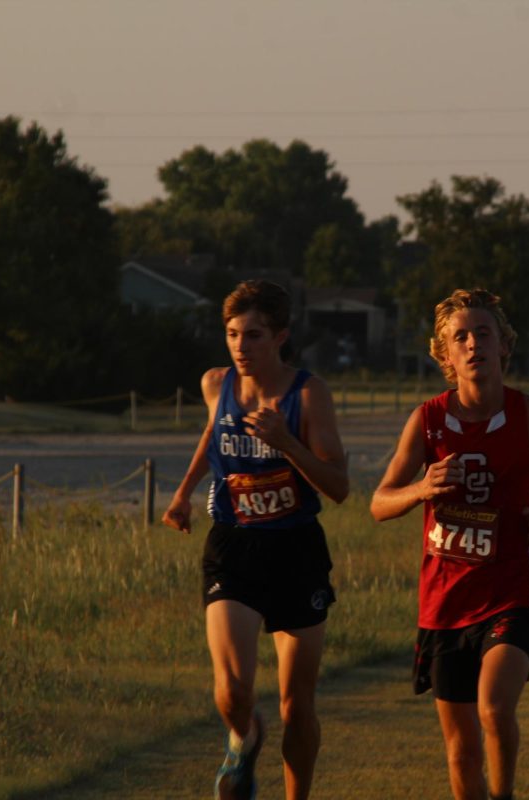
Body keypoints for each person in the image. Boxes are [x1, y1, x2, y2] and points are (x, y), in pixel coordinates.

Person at [370, 288, 529, 800]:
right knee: (460, 749)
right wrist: (422, 488)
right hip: (444, 603)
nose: (473, 344)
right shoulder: (426, 420)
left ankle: (505, 795)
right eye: (460, 337)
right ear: (445, 355)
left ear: (504, 345)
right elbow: (378, 502)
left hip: (512, 591)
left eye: (483, 333)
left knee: (494, 707)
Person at [161, 280, 349, 800]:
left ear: (281, 336)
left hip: (296, 551)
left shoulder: (308, 393)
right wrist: (182, 494)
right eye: (232, 334)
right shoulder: (214, 383)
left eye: (254, 335)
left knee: (297, 705)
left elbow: (339, 487)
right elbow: (211, 432)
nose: (241, 347)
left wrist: (286, 442)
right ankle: (244, 738)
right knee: (232, 692)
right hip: (233, 546)